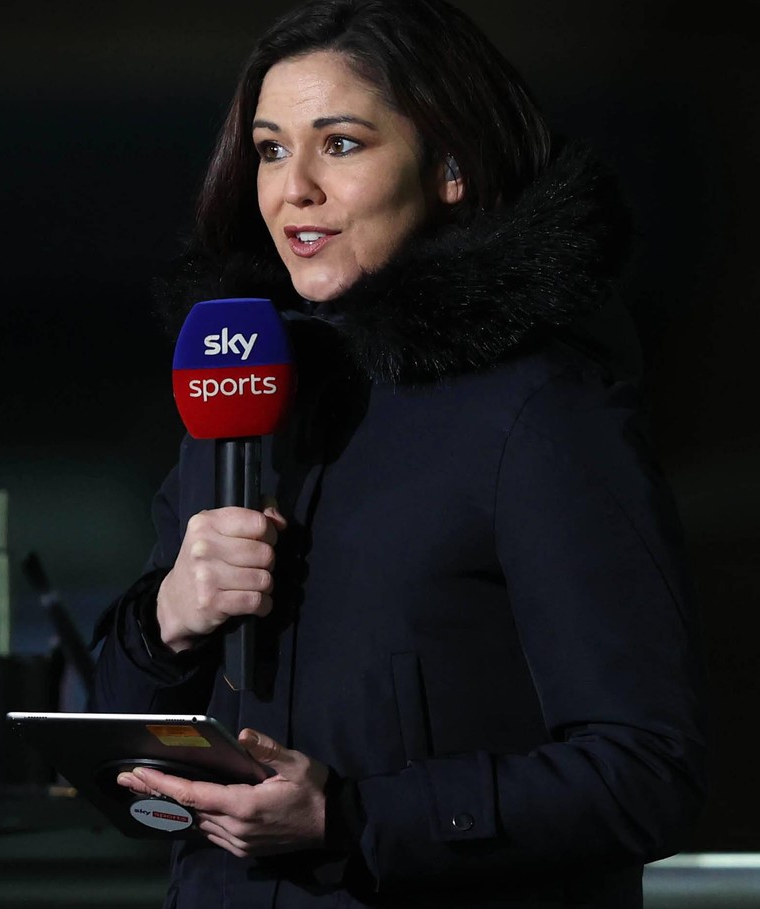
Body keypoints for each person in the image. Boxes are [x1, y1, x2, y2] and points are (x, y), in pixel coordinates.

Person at [90, 1, 707, 906]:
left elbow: (647, 775)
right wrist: (166, 620)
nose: (292, 188)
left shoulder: (542, 412)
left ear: (450, 167)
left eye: (338, 144)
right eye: (269, 149)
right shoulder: (245, 395)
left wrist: (352, 818)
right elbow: (119, 746)